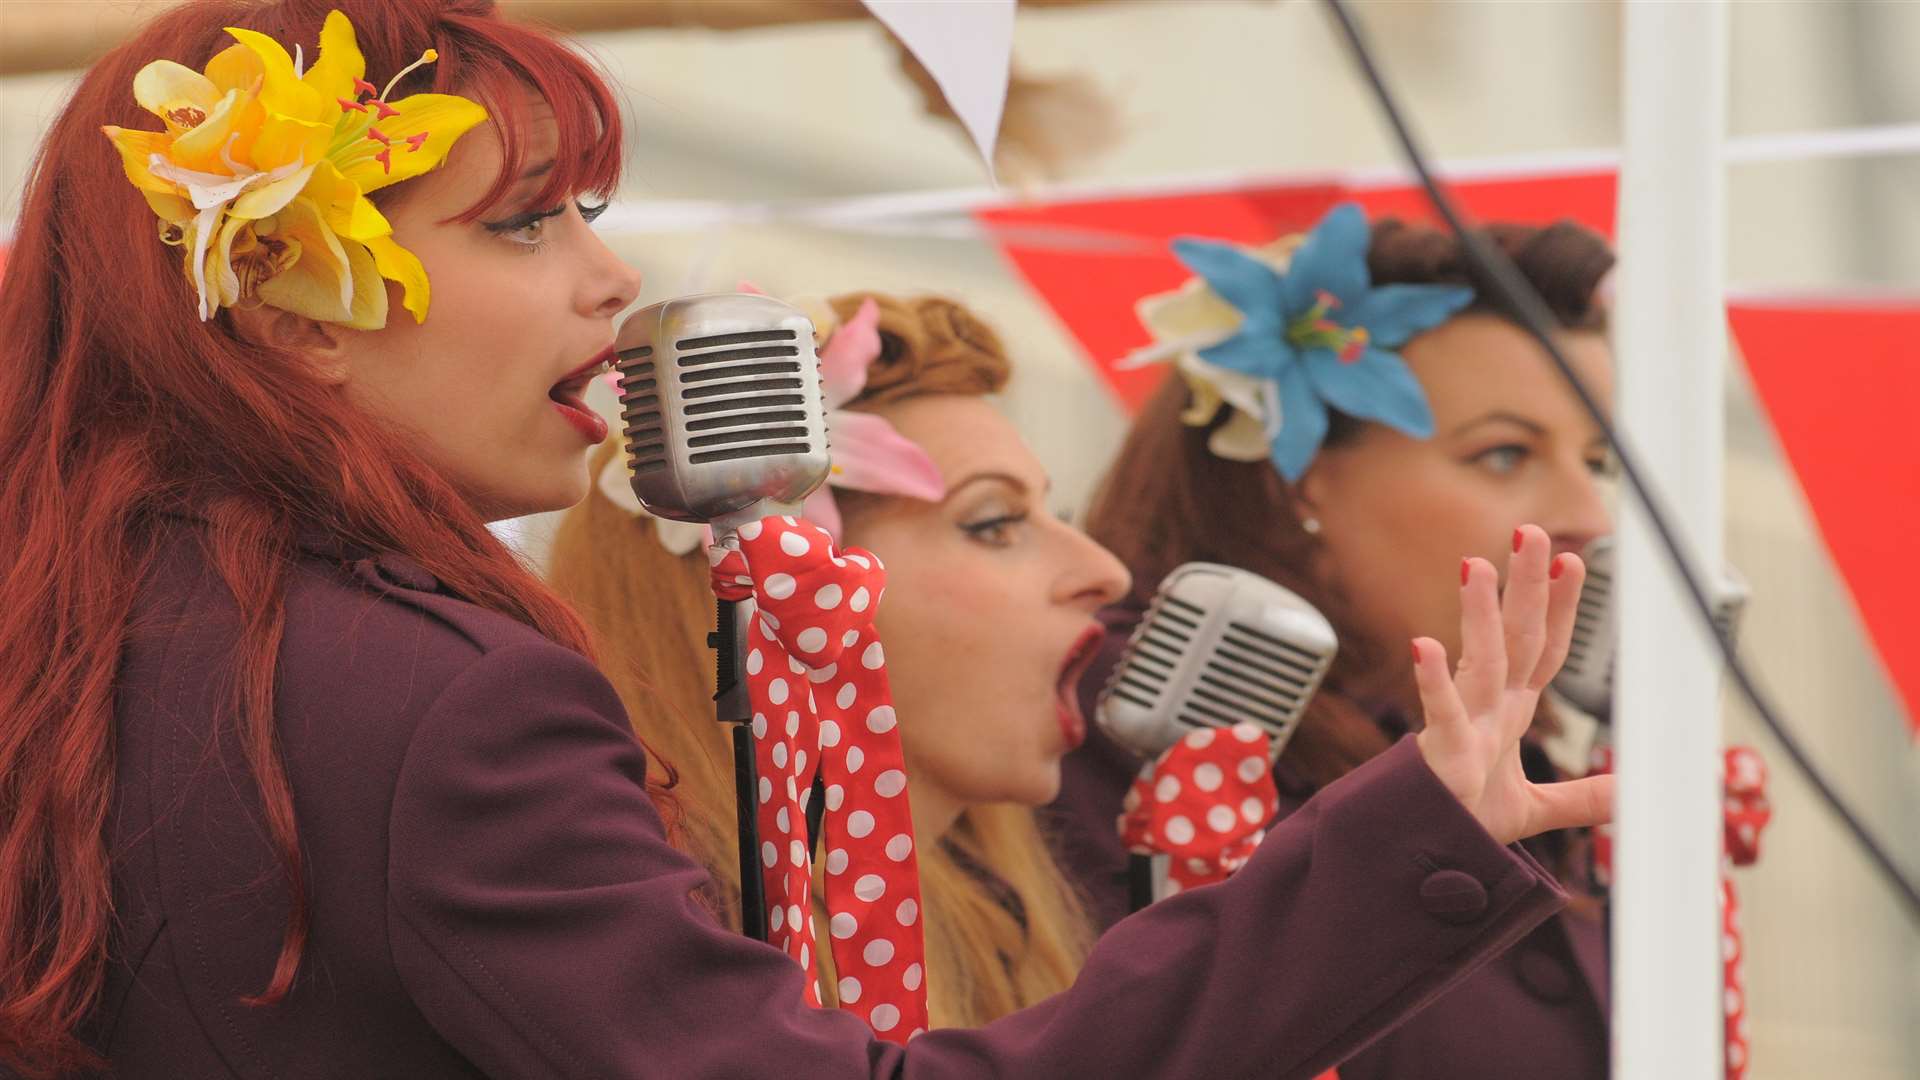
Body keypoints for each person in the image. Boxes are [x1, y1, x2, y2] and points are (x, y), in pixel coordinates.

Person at [0, 4, 1610, 1076]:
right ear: (292, 311)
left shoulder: (82, 637)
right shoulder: (443, 704)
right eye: (526, 221)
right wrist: (1413, 847)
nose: (608, 282)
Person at [1052, 203, 1618, 1080]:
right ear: (1297, 480)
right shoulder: (1144, 729)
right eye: (1505, 454)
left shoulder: (1543, 767)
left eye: (1599, 461)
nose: (1588, 514)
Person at [548, 291, 1113, 1026]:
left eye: (1056, 515)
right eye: (996, 522)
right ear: (786, 587)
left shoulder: (1006, 940)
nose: (1107, 571)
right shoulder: (655, 964)